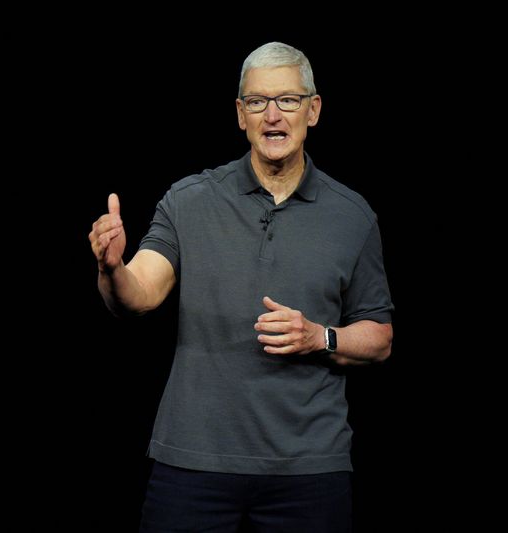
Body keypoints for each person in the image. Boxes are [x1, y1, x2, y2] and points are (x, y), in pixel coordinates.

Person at [89, 41, 394, 533]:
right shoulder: (187, 201)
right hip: (194, 464)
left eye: (288, 100)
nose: (273, 115)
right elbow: (138, 294)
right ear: (240, 114)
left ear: (313, 110)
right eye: (257, 102)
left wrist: (320, 337)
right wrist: (112, 268)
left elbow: (379, 337)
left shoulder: (352, 215)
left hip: (309, 469)